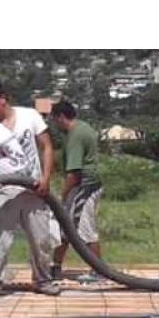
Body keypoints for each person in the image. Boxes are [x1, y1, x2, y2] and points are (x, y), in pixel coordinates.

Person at [0, 79, 61, 299]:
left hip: (34, 188)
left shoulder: (29, 116)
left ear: (3, 98)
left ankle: (43, 279)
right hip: (6, 190)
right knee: (0, 239)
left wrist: (45, 178)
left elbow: (47, 146)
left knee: (40, 237)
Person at [50, 100, 103, 281]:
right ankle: (56, 266)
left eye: (55, 121)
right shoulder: (81, 128)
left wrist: (61, 198)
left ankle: (99, 271)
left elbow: (73, 173)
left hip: (84, 187)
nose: (55, 126)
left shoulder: (76, 135)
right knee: (65, 226)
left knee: (85, 230)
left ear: (61, 117)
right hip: (83, 186)